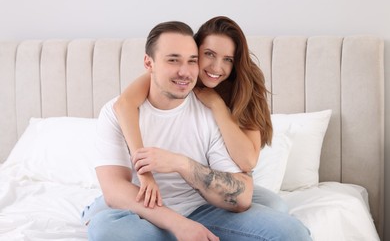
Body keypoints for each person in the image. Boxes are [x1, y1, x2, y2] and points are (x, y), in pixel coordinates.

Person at [84, 20, 311, 240]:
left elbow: (244, 183)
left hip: (202, 208)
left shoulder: (219, 108)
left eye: (191, 61)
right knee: (106, 229)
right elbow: (115, 186)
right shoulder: (119, 108)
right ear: (149, 63)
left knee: (287, 224)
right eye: (173, 60)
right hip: (144, 211)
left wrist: (180, 163)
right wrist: (179, 224)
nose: (185, 71)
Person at [113, 16, 288, 212]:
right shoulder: (174, 78)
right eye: (209, 54)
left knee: (277, 207)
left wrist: (217, 105)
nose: (216, 67)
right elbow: (124, 104)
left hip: (224, 179)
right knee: (105, 212)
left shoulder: (244, 88)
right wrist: (144, 172)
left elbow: (247, 161)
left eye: (228, 59)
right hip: (183, 187)